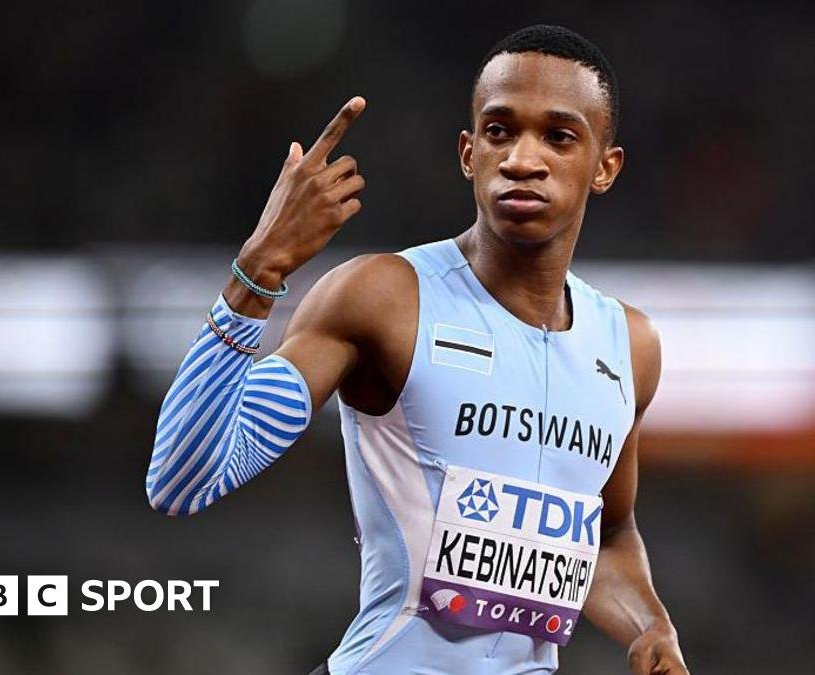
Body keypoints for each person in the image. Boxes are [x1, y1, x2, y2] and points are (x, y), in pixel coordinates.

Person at [146, 24, 689, 675]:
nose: (522, 157)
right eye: (498, 130)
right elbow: (183, 478)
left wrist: (649, 627)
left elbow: (605, 534)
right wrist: (257, 271)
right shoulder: (384, 300)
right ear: (468, 153)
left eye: (558, 136)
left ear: (605, 166)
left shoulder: (628, 345)